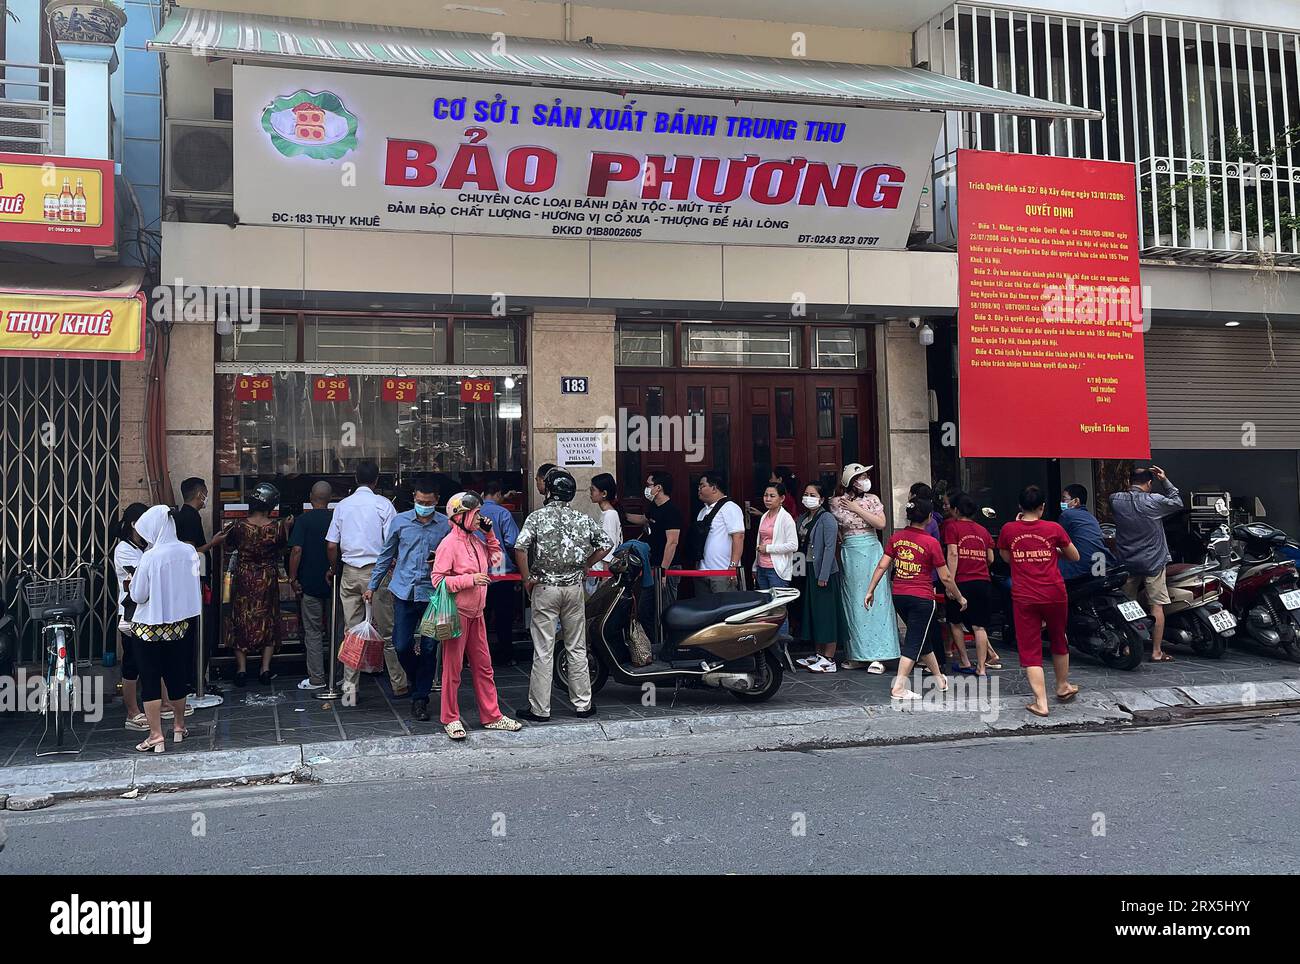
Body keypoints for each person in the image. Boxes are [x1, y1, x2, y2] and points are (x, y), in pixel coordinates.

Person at [514, 469, 613, 722]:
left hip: (545, 588)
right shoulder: (582, 518)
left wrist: (527, 579)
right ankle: (583, 704)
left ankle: (540, 709)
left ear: (548, 490)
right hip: (573, 588)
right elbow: (606, 544)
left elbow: (521, 548)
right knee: (577, 647)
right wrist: (586, 564)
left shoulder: (537, 517)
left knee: (543, 649)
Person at [431, 492, 523, 739]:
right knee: (453, 670)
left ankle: (492, 715)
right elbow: (438, 580)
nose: (480, 518)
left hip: (477, 613)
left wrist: (490, 534)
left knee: (484, 667)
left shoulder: (475, 540)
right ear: (460, 516)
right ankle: (450, 718)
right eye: (475, 514)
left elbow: (496, 559)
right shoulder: (449, 544)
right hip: (458, 614)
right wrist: (469, 580)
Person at [363, 475, 450, 721]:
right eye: (420, 502)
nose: (424, 506)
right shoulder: (400, 522)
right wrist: (372, 585)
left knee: (430, 647)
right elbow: (386, 555)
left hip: (433, 594)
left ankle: (420, 698)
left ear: (437, 500)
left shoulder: (446, 525)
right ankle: (417, 678)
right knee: (401, 645)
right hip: (404, 591)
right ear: (414, 498)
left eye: (428, 503)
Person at [865, 498, 964, 701]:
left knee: (921, 638)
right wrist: (960, 597)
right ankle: (899, 687)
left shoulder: (897, 538)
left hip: (899, 596)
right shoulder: (931, 542)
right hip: (922, 598)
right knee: (914, 641)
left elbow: (882, 565)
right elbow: (945, 577)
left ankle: (939, 679)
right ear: (929, 518)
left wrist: (870, 589)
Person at [326, 462, 410, 701]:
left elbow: (331, 545)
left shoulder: (343, 506)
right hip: (378, 572)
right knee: (387, 630)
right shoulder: (384, 505)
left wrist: (334, 568)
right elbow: (393, 541)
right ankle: (399, 684)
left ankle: (350, 690)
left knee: (351, 632)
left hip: (350, 572)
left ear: (355, 478)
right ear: (377, 480)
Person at [998, 485, 1082, 717]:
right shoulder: (1054, 528)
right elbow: (1075, 556)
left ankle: (1041, 702)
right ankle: (1062, 686)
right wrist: (1054, 551)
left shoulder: (1008, 529)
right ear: (1042, 507)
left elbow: (1005, 557)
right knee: (1059, 638)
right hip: (1055, 593)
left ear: (1020, 506)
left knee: (1030, 647)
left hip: (1025, 596)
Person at [128, 506, 202, 752]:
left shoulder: (150, 557)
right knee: (176, 675)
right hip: (178, 624)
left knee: (150, 679)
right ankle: (179, 726)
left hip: (148, 627)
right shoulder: (189, 551)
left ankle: (156, 735)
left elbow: (138, 595)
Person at [1109, 466, 1183, 663]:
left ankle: (1128, 646)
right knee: (1156, 606)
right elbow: (1177, 502)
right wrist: (1164, 480)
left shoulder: (1115, 499)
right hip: (1153, 561)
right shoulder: (1155, 501)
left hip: (1127, 561)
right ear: (1149, 483)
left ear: (1129, 482)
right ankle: (1156, 651)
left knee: (1127, 605)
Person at [830, 463, 898, 673]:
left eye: (866, 475)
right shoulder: (836, 502)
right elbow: (845, 523)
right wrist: (860, 512)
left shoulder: (873, 499)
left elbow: (880, 523)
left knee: (878, 600)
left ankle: (880, 654)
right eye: (861, 476)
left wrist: (857, 508)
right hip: (851, 551)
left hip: (872, 549)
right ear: (851, 481)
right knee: (854, 601)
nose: (865, 479)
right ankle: (857, 654)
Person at [223, 482, 288, 686]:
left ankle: (241, 670)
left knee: (241, 618)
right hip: (267, 577)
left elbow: (229, 545)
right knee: (268, 618)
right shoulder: (277, 527)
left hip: (244, 576)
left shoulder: (238, 526)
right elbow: (282, 548)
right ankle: (265, 669)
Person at [942, 493, 997, 676]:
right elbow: (990, 558)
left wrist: (950, 583)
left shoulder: (952, 527)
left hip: (961, 581)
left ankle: (965, 661)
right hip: (982, 582)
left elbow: (953, 553)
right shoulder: (983, 531)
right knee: (979, 626)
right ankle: (981, 667)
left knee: (956, 622)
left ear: (956, 510)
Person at [289, 481, 337, 691]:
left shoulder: (303, 520)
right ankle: (339, 675)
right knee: (337, 631)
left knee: (313, 632)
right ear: (330, 498)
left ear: (310, 497)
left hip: (309, 584)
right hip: (335, 583)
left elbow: (296, 550)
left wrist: (292, 578)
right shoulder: (337, 518)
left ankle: (317, 678)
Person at [623, 471, 683, 625]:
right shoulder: (654, 507)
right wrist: (623, 515)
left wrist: (663, 571)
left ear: (658, 488)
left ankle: (667, 639)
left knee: (666, 612)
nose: (646, 488)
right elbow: (644, 519)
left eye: (649, 485)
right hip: (652, 567)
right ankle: (652, 639)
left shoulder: (671, 511)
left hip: (667, 568)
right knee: (645, 611)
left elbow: (672, 542)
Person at [112, 503, 152, 731]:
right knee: (132, 663)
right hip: (130, 613)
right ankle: (132, 712)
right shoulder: (124, 549)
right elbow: (141, 576)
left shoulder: (145, 547)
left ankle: (160, 705)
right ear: (135, 524)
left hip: (148, 613)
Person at [797, 482, 842, 673]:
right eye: (806, 494)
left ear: (822, 499)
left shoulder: (827, 519)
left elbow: (830, 548)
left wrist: (823, 575)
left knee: (827, 614)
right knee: (814, 613)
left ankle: (829, 658)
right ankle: (818, 653)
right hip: (807, 568)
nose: (808, 498)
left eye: (813, 495)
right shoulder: (803, 518)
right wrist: (797, 572)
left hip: (824, 572)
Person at [479, 479, 521, 666]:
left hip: (477, 568)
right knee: (504, 616)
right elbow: (512, 541)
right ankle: (506, 655)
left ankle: (476, 657)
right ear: (497, 494)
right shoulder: (503, 513)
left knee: (480, 617)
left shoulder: (474, 512)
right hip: (500, 567)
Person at [751, 483, 797, 637]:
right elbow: (760, 542)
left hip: (777, 569)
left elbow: (793, 545)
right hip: (762, 567)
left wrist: (769, 548)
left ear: (782, 498)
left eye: (772, 496)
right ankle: (768, 643)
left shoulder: (786, 518)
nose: (768, 499)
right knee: (765, 608)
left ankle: (781, 644)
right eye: (766, 495)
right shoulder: (764, 516)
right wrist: (755, 566)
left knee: (778, 608)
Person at [693, 472, 745, 592]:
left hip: (722, 571)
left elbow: (738, 536)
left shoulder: (730, 507)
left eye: (702, 486)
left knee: (725, 603)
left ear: (714, 488)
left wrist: (733, 566)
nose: (699, 489)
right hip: (702, 571)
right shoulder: (702, 511)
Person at [1058, 484, 1113, 583]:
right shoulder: (1091, 517)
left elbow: (1058, 540)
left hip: (1082, 566)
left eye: (1064, 499)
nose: (1061, 503)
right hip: (1101, 563)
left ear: (1076, 501)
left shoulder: (1067, 514)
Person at [587, 472, 623, 592]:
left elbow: (608, 548)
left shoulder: (610, 515)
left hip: (602, 573)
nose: (590, 493)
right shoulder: (606, 514)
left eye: (593, 490)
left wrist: (605, 577)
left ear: (604, 493)